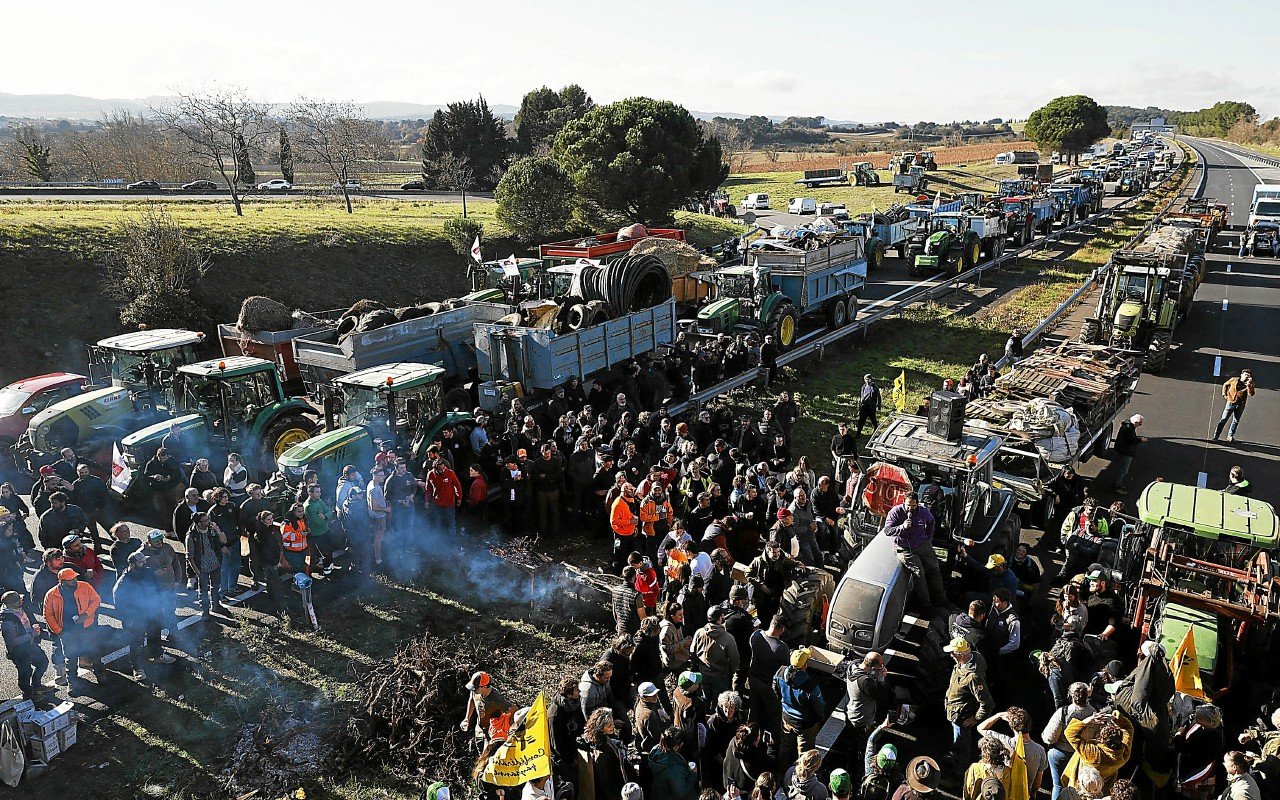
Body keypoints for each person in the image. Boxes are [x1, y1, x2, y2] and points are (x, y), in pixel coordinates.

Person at [113, 550, 174, 679]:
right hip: (135, 618)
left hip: (152, 612)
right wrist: (129, 619)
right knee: (136, 642)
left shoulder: (148, 572)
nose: (144, 563)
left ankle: (157, 656)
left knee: (155, 635)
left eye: (144, 561)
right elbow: (119, 604)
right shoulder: (124, 582)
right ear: (132, 564)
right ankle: (137, 668)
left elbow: (158, 588)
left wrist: (159, 604)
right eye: (141, 562)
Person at [882, 493, 946, 613]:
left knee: (934, 568)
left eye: (913, 506)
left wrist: (928, 538)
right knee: (919, 573)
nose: (910, 508)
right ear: (903, 502)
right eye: (908, 505)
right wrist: (902, 527)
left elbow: (931, 521)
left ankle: (941, 601)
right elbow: (887, 531)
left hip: (922, 544)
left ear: (917, 504)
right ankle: (926, 606)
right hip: (905, 548)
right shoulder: (895, 512)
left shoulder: (923, 511)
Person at [43, 567, 101, 685]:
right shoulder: (51, 594)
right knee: (71, 658)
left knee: (93, 652)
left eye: (74, 577)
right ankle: (73, 684)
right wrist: (59, 631)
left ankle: (101, 674)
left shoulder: (85, 586)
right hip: (67, 631)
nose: (74, 580)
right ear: (62, 581)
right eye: (70, 579)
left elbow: (96, 600)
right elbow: (48, 615)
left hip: (86, 627)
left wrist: (86, 614)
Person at [944, 636, 994, 772]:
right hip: (955, 711)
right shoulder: (971, 658)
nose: (951, 655)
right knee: (958, 739)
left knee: (962, 743)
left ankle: (960, 770)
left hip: (961, 717)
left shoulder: (973, 677)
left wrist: (976, 718)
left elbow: (987, 703)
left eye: (953, 652)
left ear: (960, 655)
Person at [1042, 682, 1097, 800]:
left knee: (1058, 785)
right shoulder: (1094, 713)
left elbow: (1049, 738)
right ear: (1088, 694)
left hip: (1061, 754)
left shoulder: (1063, 712)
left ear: (1070, 695)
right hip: (1082, 755)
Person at [978, 707, 1047, 799]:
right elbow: (1038, 777)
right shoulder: (1040, 750)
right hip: (1024, 793)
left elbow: (980, 728)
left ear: (1012, 727)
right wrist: (1034, 793)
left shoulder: (1004, 741)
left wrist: (998, 715)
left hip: (1005, 792)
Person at [775, 647, 827, 768]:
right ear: (805, 666)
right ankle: (801, 774)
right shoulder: (811, 686)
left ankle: (781, 769)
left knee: (785, 746)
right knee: (805, 755)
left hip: (786, 717)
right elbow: (819, 706)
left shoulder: (780, 673)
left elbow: (775, 689)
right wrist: (819, 718)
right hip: (805, 724)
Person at [1063, 709, 1135, 792]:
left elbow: (1070, 733)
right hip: (1101, 789)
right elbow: (1128, 729)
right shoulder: (1123, 755)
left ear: (1101, 738)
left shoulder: (1094, 754)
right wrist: (1117, 718)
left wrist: (1089, 720)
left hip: (1080, 786)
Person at [847, 651, 892, 776]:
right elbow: (881, 695)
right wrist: (881, 678)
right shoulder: (866, 682)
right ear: (872, 668)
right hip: (863, 718)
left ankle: (851, 757)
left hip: (852, 711)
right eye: (880, 666)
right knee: (864, 746)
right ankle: (859, 770)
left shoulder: (853, 665)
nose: (882, 667)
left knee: (852, 742)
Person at [1, 590, 53, 700]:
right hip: (19, 652)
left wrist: (36, 628)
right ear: (12, 604)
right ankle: (28, 693)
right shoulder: (7, 622)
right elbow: (13, 641)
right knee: (25, 672)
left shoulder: (21, 608)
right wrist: (32, 634)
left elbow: (30, 620)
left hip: (31, 645)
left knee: (43, 662)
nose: (22, 600)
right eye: (19, 599)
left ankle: (36, 685)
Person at [749, 612, 790, 737]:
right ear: (781, 629)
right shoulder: (781, 648)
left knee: (753, 710)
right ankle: (771, 739)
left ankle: (750, 735)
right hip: (768, 686)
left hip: (752, 680)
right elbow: (786, 669)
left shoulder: (756, 635)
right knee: (772, 714)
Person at [1173, 704, 1224, 800]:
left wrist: (1178, 733)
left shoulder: (1206, 736)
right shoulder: (1216, 727)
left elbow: (1180, 747)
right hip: (1206, 772)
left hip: (1197, 774)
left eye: (1199, 718)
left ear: (1208, 720)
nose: (1196, 719)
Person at [690, 604, 740, 701]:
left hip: (703, 674)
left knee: (704, 700)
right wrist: (731, 673)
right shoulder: (728, 638)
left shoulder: (699, 632)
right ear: (720, 618)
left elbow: (692, 652)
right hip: (721, 676)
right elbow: (735, 660)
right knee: (718, 702)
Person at [581, 706, 633, 798]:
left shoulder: (602, 738)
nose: (613, 727)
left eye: (612, 723)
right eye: (609, 726)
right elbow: (607, 782)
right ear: (601, 727)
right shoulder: (603, 754)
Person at [186, 512, 227, 616]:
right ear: (198, 523)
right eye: (205, 520)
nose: (208, 521)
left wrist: (217, 530)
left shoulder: (211, 530)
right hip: (202, 566)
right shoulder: (191, 536)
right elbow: (190, 557)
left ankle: (216, 606)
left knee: (216, 586)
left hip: (215, 563)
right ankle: (205, 611)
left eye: (208, 519)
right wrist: (197, 572)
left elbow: (223, 541)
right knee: (203, 590)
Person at [460, 670, 513, 746]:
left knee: (489, 752)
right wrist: (467, 718)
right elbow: (472, 700)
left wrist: (512, 729)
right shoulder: (475, 691)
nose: (473, 690)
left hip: (492, 733)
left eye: (475, 688)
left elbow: (513, 710)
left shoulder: (495, 697)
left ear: (484, 686)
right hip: (479, 729)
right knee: (480, 749)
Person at [648, 726, 698, 800]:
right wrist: (693, 775)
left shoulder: (655, 749)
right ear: (676, 746)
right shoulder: (675, 768)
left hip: (658, 794)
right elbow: (681, 794)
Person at [70, 463, 112, 545]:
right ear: (77, 473)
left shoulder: (97, 481)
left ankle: (119, 542)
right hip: (86, 512)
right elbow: (74, 499)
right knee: (93, 531)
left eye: (85, 472)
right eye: (81, 473)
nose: (84, 474)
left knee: (109, 527)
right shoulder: (76, 484)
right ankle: (97, 547)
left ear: (88, 471)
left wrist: (103, 508)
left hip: (99, 510)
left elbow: (105, 496)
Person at [422, 458, 463, 538]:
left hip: (449, 504)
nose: (443, 470)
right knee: (438, 524)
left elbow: (457, 485)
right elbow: (428, 488)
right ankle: (440, 542)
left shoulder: (450, 473)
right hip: (437, 504)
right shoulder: (430, 474)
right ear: (435, 469)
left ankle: (452, 542)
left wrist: (459, 497)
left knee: (451, 525)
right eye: (440, 469)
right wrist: (427, 500)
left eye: (444, 468)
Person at [1214, 369, 1256, 443]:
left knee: (1236, 421)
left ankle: (1230, 436)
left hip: (1241, 405)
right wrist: (1224, 394)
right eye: (1245, 375)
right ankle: (1216, 436)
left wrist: (1249, 385)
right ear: (1241, 375)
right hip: (1231, 403)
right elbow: (1225, 384)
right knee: (1224, 419)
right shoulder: (1234, 380)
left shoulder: (1250, 384)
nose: (1246, 377)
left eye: (1248, 376)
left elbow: (1251, 394)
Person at [1111, 415, 1145, 494]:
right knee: (1123, 470)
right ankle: (1117, 486)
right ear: (1135, 422)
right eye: (1140, 424)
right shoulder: (1129, 429)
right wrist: (1140, 440)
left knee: (1121, 469)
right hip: (1126, 452)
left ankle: (1117, 484)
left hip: (1122, 450)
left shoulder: (1127, 426)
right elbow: (1130, 441)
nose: (1140, 425)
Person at [367, 468, 391, 567]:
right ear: (375, 476)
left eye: (383, 475)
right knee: (378, 538)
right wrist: (386, 509)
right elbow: (374, 507)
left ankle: (378, 554)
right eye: (381, 475)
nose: (383, 477)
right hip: (378, 517)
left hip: (376, 516)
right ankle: (378, 559)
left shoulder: (371, 484)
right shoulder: (374, 489)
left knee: (378, 537)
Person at [857, 374, 883, 439]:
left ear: (871, 379)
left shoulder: (875, 387)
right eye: (866, 379)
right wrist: (860, 406)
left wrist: (878, 406)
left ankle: (876, 432)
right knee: (861, 420)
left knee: (873, 420)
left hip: (871, 407)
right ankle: (858, 433)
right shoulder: (863, 387)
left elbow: (879, 397)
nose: (867, 381)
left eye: (868, 379)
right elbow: (861, 396)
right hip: (864, 406)